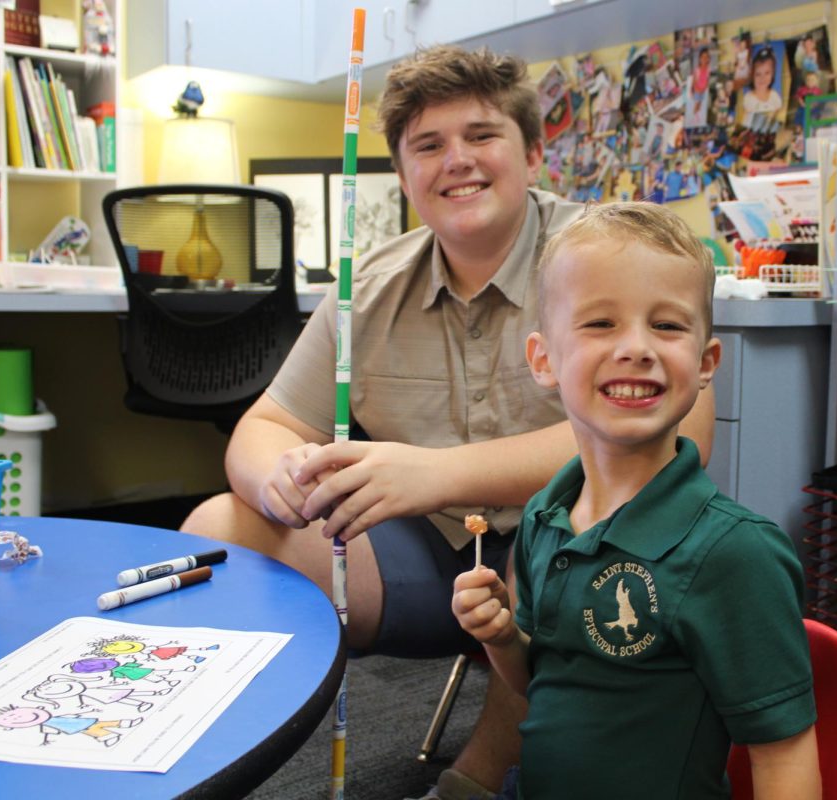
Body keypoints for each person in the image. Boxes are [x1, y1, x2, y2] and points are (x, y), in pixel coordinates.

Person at [180, 46, 718, 799]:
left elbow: (683, 432)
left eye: (481, 136)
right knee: (220, 530)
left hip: (579, 551)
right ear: (403, 176)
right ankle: (203, 767)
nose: (456, 161)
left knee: (552, 545)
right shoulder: (362, 289)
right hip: (429, 558)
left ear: (532, 152)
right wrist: (281, 482)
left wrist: (434, 472)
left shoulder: (611, 256)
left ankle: (474, 779)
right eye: (427, 146)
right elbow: (264, 425)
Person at [452, 202, 820, 798]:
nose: (636, 347)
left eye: (668, 326)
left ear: (705, 364)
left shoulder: (735, 554)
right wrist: (500, 639)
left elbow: (784, 757)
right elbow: (540, 681)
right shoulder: (547, 514)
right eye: (600, 323)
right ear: (544, 360)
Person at [742, 46, 783, 116]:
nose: (762, 78)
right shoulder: (748, 99)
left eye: (767, 73)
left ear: (772, 73)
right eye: (758, 74)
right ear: (752, 75)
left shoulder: (775, 97)